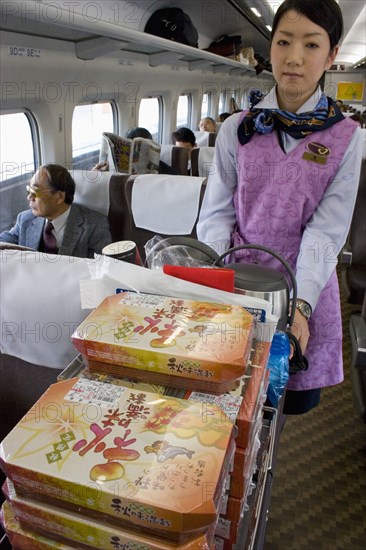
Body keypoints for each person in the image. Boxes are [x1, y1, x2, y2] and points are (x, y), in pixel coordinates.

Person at [197, 0, 363, 415]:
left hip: (304, 283)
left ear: (331, 55)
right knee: (228, 395)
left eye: (311, 45)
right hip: (239, 273)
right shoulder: (238, 128)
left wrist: (299, 307)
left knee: (289, 398)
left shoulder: (347, 138)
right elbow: (217, 213)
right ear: (270, 48)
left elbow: (327, 231)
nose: (294, 58)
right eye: (284, 41)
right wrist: (219, 278)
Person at [0, 164, 111, 258]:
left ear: (59, 197)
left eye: (35, 192)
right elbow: (3, 243)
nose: (29, 197)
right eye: (29, 190)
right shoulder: (25, 219)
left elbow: (99, 270)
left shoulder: (95, 226)